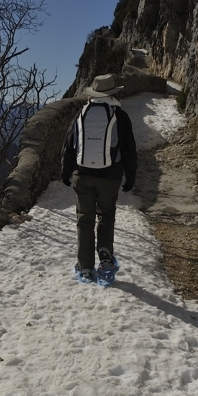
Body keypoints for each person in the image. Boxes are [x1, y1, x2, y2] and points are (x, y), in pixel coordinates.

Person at [61, 73, 137, 282]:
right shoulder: (120, 116)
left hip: (82, 176)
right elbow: (129, 150)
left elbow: (69, 146)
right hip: (110, 177)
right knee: (106, 216)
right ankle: (105, 258)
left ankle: (85, 268)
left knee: (84, 221)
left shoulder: (81, 113)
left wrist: (66, 173)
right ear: (113, 93)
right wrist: (130, 178)